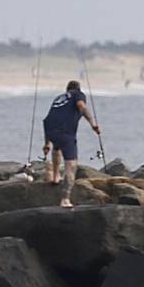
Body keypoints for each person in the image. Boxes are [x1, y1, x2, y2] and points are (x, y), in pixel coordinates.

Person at [41, 79, 101, 209]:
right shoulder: (78, 94)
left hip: (50, 131)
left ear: (66, 89)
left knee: (57, 148)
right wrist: (93, 124)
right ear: (78, 89)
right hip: (65, 133)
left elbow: (47, 120)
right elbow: (81, 106)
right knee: (71, 165)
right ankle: (65, 199)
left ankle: (56, 176)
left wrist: (47, 144)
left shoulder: (59, 98)